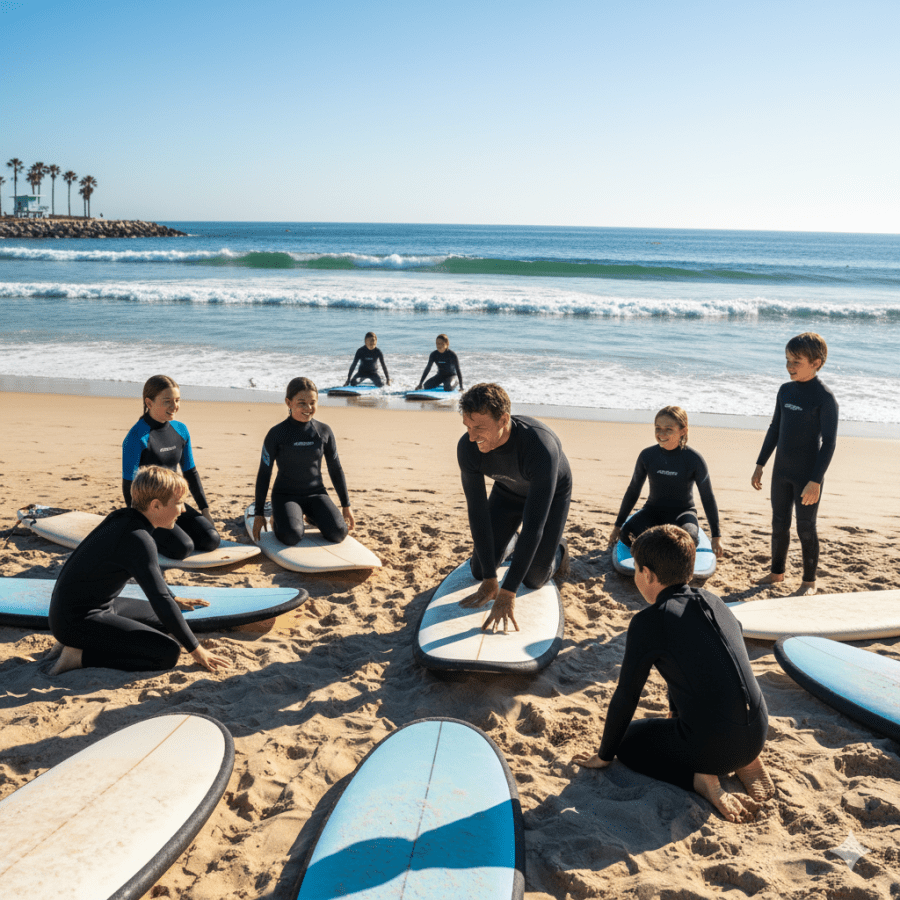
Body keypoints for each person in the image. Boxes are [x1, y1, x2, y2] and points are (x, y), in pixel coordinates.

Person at [573, 525, 774, 823]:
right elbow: (704, 665)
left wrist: (604, 756)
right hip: (758, 729)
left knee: (627, 743)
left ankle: (702, 780)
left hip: (713, 749)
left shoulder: (649, 622)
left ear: (649, 575)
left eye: (637, 571)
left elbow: (627, 696)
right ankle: (747, 759)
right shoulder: (714, 602)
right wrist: (674, 713)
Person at [46, 466, 229, 676]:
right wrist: (196, 650)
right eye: (178, 503)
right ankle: (79, 657)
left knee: (165, 619)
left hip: (87, 609)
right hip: (76, 621)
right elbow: (159, 598)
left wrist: (174, 598)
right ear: (156, 506)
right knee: (167, 652)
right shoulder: (137, 539)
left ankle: (78, 643)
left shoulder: (124, 518)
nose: (183, 510)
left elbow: (155, 583)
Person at [457, 383, 571, 633]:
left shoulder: (540, 446)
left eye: (479, 428)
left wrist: (508, 592)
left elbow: (534, 524)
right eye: (467, 426)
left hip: (549, 498)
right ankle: (512, 540)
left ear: (503, 420)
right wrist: (490, 577)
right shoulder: (468, 447)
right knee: (478, 570)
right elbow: (477, 513)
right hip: (508, 491)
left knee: (533, 578)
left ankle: (559, 547)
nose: (472, 436)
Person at [751, 332, 838, 596]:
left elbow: (829, 444)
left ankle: (809, 582)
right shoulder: (785, 391)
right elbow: (775, 429)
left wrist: (816, 480)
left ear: (816, 362)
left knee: (805, 527)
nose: (789, 366)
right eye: (787, 359)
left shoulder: (824, 398)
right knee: (779, 523)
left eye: (796, 361)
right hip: (781, 471)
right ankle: (777, 573)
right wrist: (760, 463)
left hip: (807, 475)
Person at [122, 375, 220, 561]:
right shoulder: (136, 437)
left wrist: (205, 509)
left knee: (211, 539)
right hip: (151, 510)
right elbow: (129, 486)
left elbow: (190, 472)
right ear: (149, 402)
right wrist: (139, 524)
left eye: (177, 400)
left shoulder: (180, 430)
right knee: (183, 548)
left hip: (176, 504)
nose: (174, 406)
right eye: (167, 401)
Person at [608, 406, 724, 559]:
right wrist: (617, 526)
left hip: (683, 513)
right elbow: (633, 490)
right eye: (658, 428)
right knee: (627, 535)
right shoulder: (647, 455)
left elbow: (707, 497)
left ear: (683, 430)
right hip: (652, 511)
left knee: (689, 541)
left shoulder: (693, 459)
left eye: (668, 429)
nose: (661, 434)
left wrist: (716, 537)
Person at [252, 377, 355, 546]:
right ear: (288, 402)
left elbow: (335, 468)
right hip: (285, 495)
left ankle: (309, 515)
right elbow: (264, 473)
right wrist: (259, 513)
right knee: (292, 536)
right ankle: (277, 518)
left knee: (339, 532)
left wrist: (346, 505)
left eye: (312, 403)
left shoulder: (324, 431)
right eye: (302, 403)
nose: (308, 408)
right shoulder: (276, 434)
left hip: (316, 493)